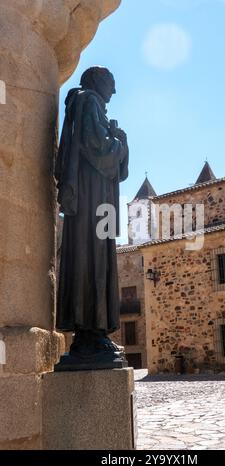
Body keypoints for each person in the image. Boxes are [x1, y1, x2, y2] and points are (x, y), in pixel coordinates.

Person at [55, 66, 129, 367]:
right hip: (93, 199)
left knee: (97, 255)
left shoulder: (85, 103)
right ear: (99, 82)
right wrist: (121, 142)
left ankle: (93, 330)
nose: (114, 91)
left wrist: (118, 143)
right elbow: (98, 147)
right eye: (112, 84)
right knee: (94, 257)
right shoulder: (89, 101)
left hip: (98, 201)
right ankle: (90, 331)